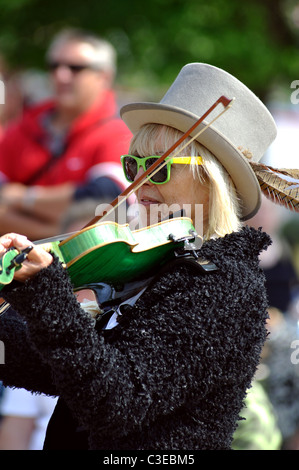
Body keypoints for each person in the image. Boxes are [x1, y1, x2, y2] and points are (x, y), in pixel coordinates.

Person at [0, 62, 290, 450]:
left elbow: (116, 403)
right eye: (133, 165)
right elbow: (63, 368)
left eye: (159, 168)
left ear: (211, 179)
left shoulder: (226, 281)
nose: (138, 183)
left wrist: (48, 297)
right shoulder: (153, 264)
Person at [0, 29, 132, 240]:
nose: (61, 76)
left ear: (104, 76)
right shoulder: (23, 126)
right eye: (54, 66)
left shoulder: (118, 132)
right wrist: (63, 233)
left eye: (75, 68)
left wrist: (24, 198)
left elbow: (105, 199)